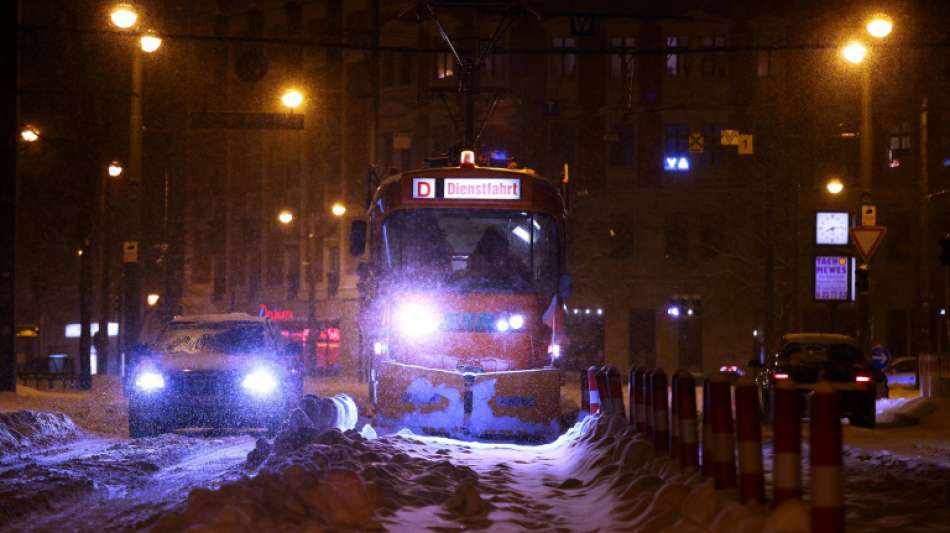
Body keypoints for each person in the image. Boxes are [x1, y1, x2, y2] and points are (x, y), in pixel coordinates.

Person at [457, 226, 530, 289]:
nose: (493, 246)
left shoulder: (513, 259)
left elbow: (527, 284)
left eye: (497, 243)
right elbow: (461, 286)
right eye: (490, 242)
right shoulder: (476, 258)